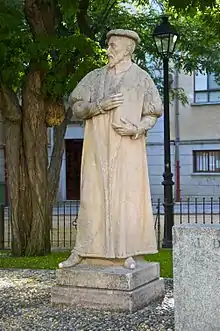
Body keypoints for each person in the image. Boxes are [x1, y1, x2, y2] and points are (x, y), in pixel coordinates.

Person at [59, 29, 163, 270]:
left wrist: (137, 129)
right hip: (96, 148)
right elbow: (76, 105)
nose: (108, 50)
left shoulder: (142, 79)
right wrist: (97, 106)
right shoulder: (95, 77)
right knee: (92, 197)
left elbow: (153, 112)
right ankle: (83, 251)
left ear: (128, 49)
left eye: (113, 46)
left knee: (126, 198)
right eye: (108, 45)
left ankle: (127, 251)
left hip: (128, 148)